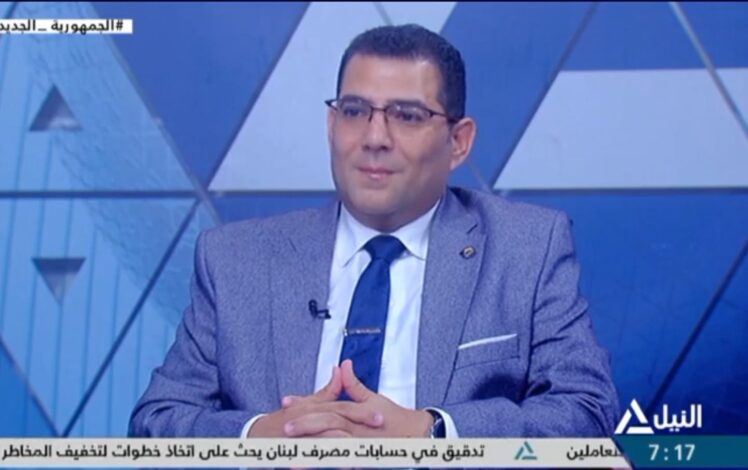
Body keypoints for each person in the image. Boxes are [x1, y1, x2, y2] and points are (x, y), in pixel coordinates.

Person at [129, 24, 619, 439]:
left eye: (407, 116)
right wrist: (262, 437)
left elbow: (586, 410)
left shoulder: (527, 247)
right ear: (331, 123)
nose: (374, 138)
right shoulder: (236, 259)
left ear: (458, 141)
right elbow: (157, 422)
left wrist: (433, 434)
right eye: (354, 111)